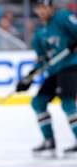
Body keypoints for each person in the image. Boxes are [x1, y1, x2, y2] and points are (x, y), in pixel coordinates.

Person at [16, 0, 77, 157]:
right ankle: (49, 140)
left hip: (71, 66)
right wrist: (28, 79)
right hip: (55, 71)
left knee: (67, 101)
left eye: (46, 7)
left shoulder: (63, 17)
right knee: (38, 102)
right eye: (40, 8)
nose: (43, 10)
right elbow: (42, 61)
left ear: (51, 7)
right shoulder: (40, 34)